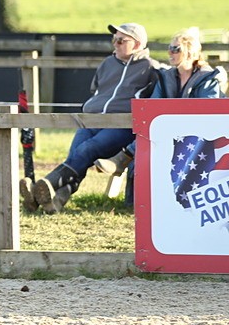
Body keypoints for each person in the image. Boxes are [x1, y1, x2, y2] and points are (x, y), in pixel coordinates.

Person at [22, 23, 160, 214]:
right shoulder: (107, 64)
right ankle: (55, 201)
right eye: (114, 39)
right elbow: (96, 90)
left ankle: (45, 187)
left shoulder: (151, 68)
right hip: (92, 120)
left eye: (121, 40)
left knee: (86, 150)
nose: (116, 44)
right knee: (75, 155)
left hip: (121, 126)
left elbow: (159, 94)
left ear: (137, 44)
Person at [94, 27, 227, 199]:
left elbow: (205, 112)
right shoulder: (166, 77)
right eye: (169, 48)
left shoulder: (207, 78)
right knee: (144, 146)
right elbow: (154, 107)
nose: (170, 53)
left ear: (190, 52)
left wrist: (172, 118)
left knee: (152, 139)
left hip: (199, 135)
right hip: (168, 131)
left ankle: (123, 157)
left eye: (175, 49)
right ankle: (134, 202)